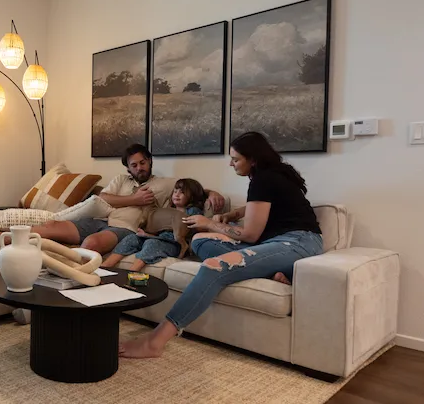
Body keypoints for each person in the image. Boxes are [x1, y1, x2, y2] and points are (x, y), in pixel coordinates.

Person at [119, 131, 324, 359]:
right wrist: (234, 213)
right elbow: (264, 206)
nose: (230, 163)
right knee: (199, 240)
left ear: (253, 159)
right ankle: (275, 272)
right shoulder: (272, 175)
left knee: (212, 267)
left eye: (235, 159)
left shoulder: (264, 179)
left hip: (296, 242)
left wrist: (209, 223)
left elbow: (249, 235)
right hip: (279, 243)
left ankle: (155, 342)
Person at [0, 143, 225, 256]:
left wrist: (212, 193)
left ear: (150, 162)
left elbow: (193, 189)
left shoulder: (164, 184)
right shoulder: (122, 182)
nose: (139, 168)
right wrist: (134, 198)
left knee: (89, 244)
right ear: (128, 168)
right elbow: (103, 196)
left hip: (125, 230)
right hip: (101, 220)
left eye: (143, 162)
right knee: (52, 228)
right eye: (134, 165)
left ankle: (56, 291)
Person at [101, 178, 207, 272]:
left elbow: (196, 228)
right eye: (175, 191)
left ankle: (132, 272)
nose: (177, 194)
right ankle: (105, 267)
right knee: (131, 238)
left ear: (192, 196)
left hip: (173, 244)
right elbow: (157, 230)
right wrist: (146, 234)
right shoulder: (169, 209)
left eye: (182, 192)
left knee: (152, 244)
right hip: (158, 238)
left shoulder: (192, 211)